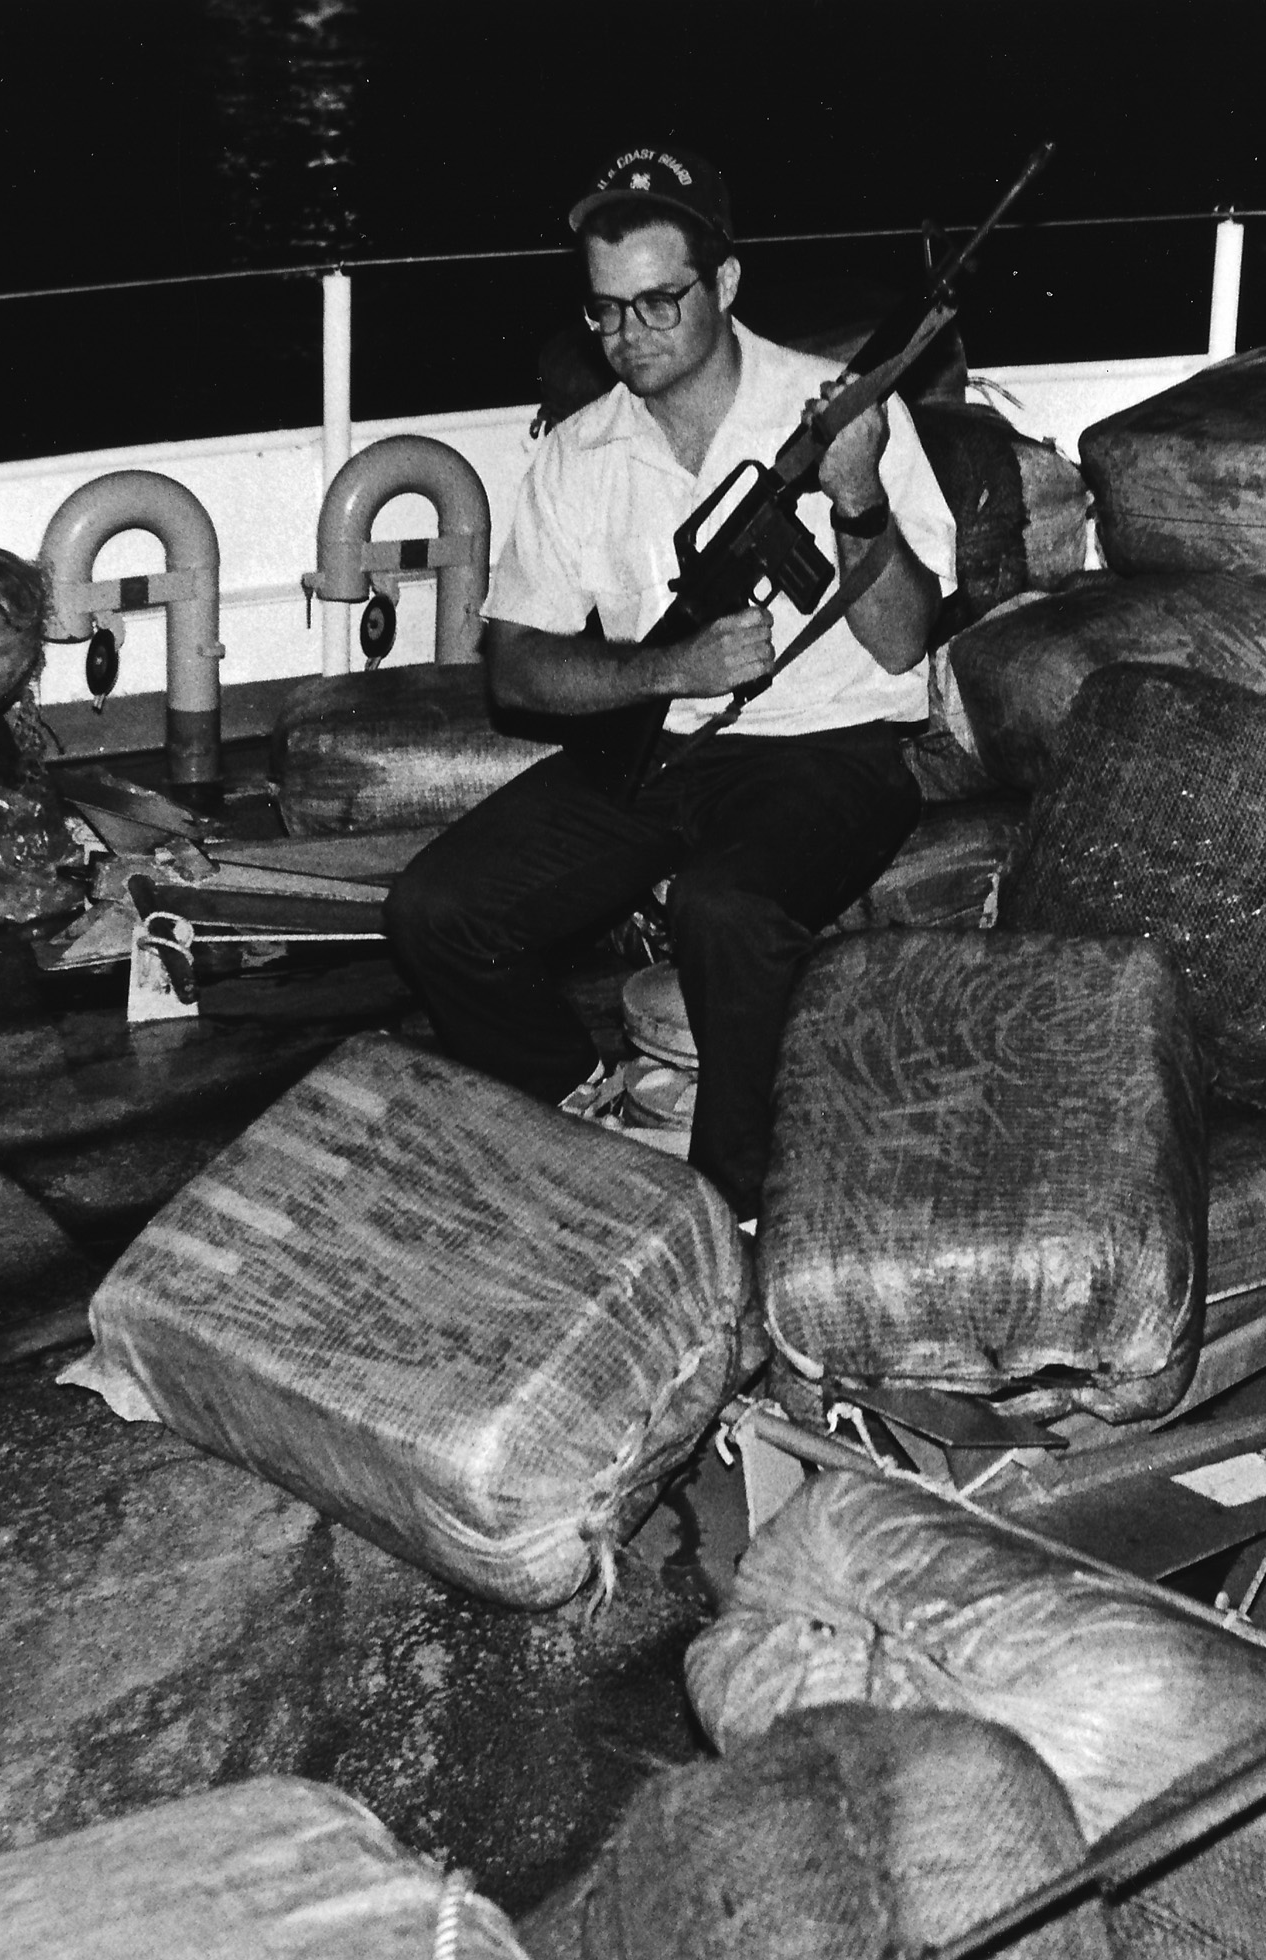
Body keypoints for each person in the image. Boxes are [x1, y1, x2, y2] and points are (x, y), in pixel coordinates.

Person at [384, 144, 956, 1219]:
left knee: (722, 907)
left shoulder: (840, 413)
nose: (628, 335)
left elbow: (901, 645)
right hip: (657, 752)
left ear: (724, 283)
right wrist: (669, 668)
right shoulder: (577, 451)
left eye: (657, 302)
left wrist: (857, 499)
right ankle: (581, 1105)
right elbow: (516, 669)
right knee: (436, 910)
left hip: (828, 752)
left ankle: (733, 1206)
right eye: (605, 311)